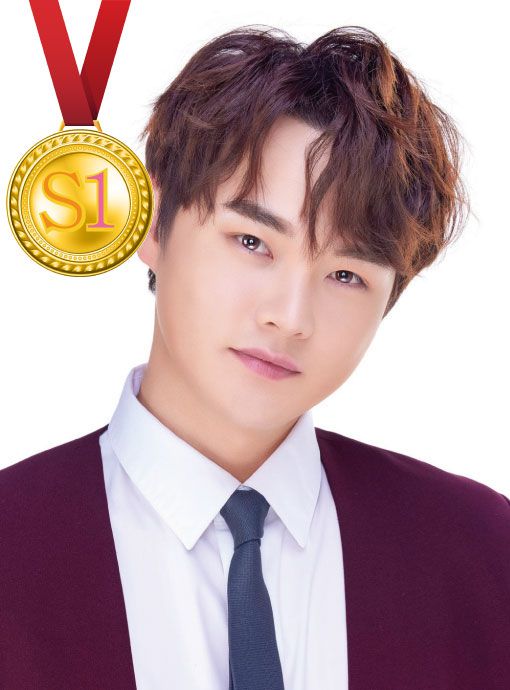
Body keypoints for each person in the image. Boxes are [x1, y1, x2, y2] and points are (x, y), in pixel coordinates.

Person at [1, 24, 509, 690]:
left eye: (347, 275)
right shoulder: (12, 543)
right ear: (152, 223)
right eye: (252, 242)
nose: (290, 317)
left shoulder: (481, 553)